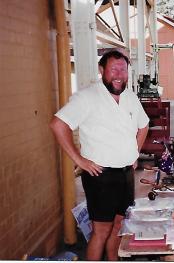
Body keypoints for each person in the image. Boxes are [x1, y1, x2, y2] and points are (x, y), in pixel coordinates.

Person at [50, 50, 149, 260]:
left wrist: (135, 153)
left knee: (118, 227)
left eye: (123, 70)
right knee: (101, 231)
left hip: (125, 174)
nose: (119, 74)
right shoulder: (87, 97)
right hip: (101, 176)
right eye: (114, 69)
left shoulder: (130, 97)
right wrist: (80, 160)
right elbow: (58, 125)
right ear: (102, 70)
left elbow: (144, 125)